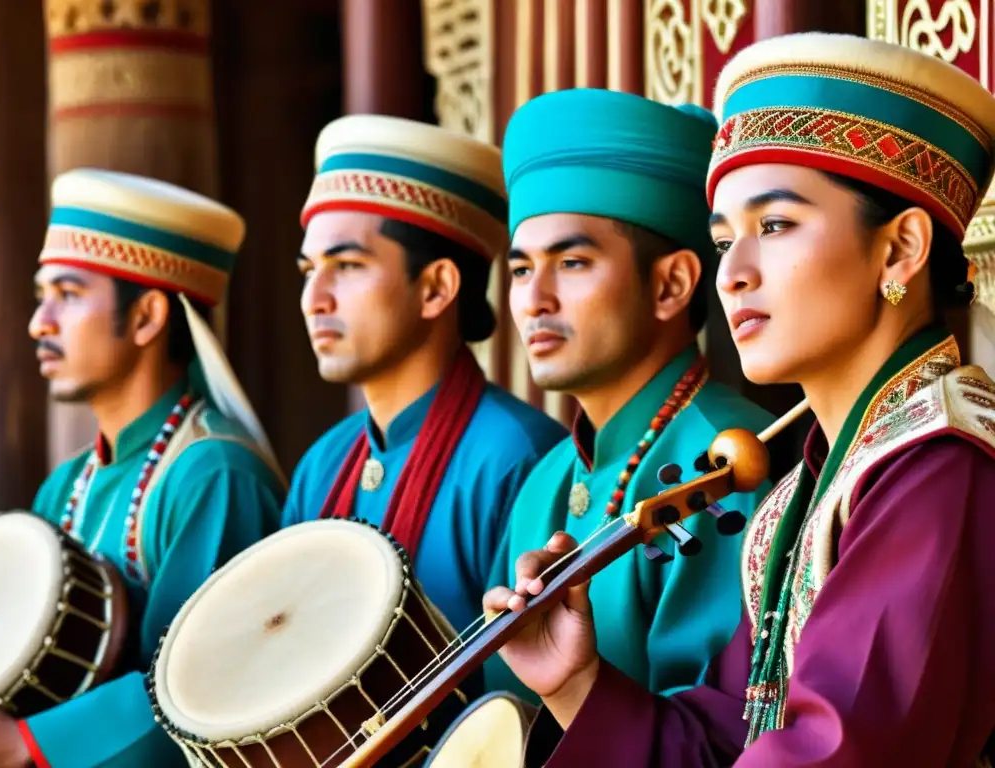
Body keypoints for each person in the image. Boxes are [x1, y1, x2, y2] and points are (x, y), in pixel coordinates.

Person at [484, 34, 995, 766]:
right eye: (725, 242)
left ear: (900, 250)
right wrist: (576, 683)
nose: (735, 275)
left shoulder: (940, 469)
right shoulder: (808, 492)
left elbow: (836, 752)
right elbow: (729, 738)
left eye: (776, 225)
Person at [0, 169, 287, 768]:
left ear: (146, 317)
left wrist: (26, 745)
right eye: (43, 296)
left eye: (66, 294)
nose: (40, 321)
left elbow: (198, 690)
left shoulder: (214, 475)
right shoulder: (64, 487)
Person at [482, 89, 775, 706]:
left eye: (573, 262)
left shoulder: (733, 461)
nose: (534, 298)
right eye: (519, 270)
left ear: (671, 284)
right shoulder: (544, 481)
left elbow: (711, 736)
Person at [284, 114, 567, 636]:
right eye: (308, 271)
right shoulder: (320, 465)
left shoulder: (516, 458)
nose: (314, 299)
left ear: (436, 287)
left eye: (346, 266)